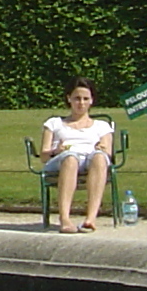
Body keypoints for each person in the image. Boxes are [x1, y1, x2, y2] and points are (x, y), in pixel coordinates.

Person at [37, 78, 116, 232]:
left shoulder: (102, 126)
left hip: (90, 158)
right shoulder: (54, 123)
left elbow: (108, 153)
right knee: (71, 158)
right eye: (77, 98)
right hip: (61, 160)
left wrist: (102, 148)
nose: (81, 103)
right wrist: (56, 151)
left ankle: (91, 218)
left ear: (92, 100)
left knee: (100, 157)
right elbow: (44, 156)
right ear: (69, 99)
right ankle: (64, 218)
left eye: (85, 99)